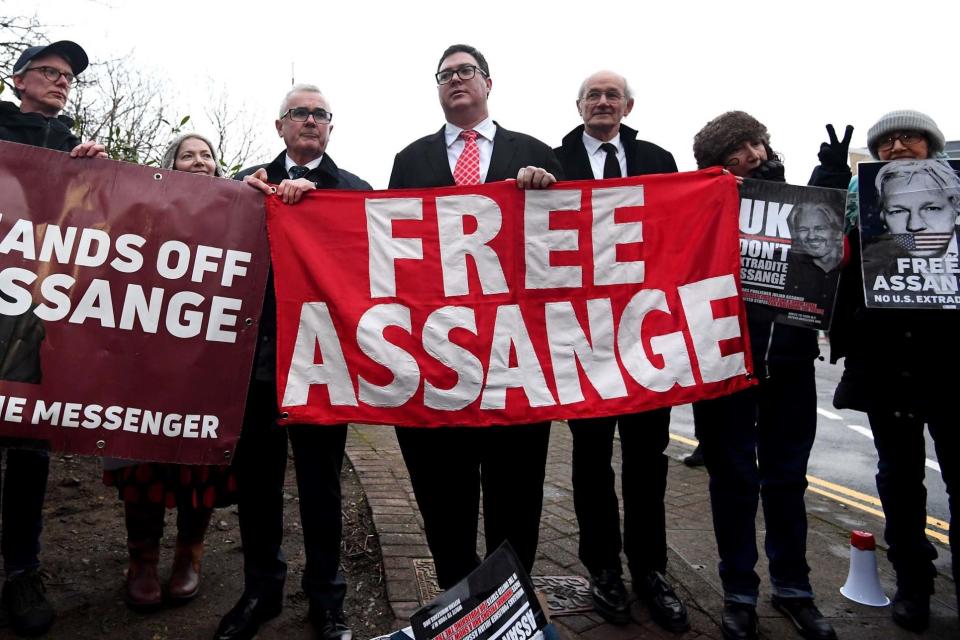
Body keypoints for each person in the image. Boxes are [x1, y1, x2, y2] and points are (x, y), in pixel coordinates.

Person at [389, 43, 562, 591]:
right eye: (445, 75)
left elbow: (566, 250)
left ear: (488, 83)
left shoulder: (536, 154)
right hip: (438, 359)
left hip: (516, 360)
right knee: (444, 494)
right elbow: (385, 254)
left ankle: (510, 601)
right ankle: (457, 601)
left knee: (516, 490)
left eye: (466, 71)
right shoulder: (409, 160)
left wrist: (548, 194)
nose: (456, 80)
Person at [214, 84, 370, 640]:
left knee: (320, 484)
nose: (309, 120)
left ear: (331, 126)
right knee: (258, 481)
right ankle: (261, 589)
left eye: (319, 114)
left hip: (324, 361)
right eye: (298, 113)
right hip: (257, 358)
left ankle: (327, 597)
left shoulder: (355, 192)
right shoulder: (246, 187)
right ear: (280, 126)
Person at [691, 111, 848, 640]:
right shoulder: (703, 208)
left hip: (790, 362)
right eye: (737, 148)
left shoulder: (795, 198)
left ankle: (794, 589)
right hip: (724, 364)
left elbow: (825, 244)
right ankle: (738, 593)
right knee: (732, 481)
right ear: (718, 161)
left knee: (786, 479)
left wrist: (828, 181)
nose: (752, 154)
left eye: (756, 142)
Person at [553, 69, 687, 631]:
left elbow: (681, 236)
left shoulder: (660, 160)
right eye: (593, 95)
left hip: (643, 337)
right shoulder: (550, 162)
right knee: (589, 462)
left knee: (646, 460)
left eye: (612, 95)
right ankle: (602, 567)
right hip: (583, 339)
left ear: (628, 106)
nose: (603, 102)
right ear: (578, 105)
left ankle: (650, 570)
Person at [830, 110, 957, 632]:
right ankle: (913, 580)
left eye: (911, 138)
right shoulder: (862, 213)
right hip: (886, 366)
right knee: (899, 481)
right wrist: (830, 182)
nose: (899, 146)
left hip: (950, 366)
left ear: (932, 147)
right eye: (887, 142)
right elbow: (815, 252)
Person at [101, 133, 235, 612]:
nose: (199, 162)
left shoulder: (237, 214)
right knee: (142, 458)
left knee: (195, 459)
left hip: (207, 364)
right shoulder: (144, 211)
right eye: (187, 155)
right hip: (145, 365)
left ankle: (189, 555)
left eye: (206, 156)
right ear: (170, 165)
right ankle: (141, 560)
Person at [0, 39, 104, 638]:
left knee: (30, 446)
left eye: (69, 77)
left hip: (38, 319)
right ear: (18, 80)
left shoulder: (72, 148)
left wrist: (96, 177)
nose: (63, 82)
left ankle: (21, 571)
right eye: (50, 72)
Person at [783, 202, 845, 324]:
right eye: (803, 229)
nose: (811, 236)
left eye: (820, 228)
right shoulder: (788, 269)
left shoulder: (851, 268)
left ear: (837, 233)